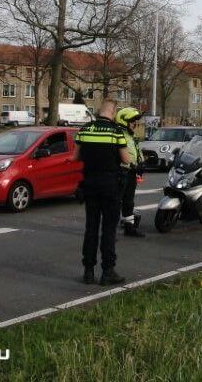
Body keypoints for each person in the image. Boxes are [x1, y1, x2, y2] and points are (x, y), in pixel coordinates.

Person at [72, 98, 131, 285]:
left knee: (91, 228)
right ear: (113, 113)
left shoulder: (85, 130)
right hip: (110, 186)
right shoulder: (116, 133)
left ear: (99, 111)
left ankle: (88, 271)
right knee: (108, 229)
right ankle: (108, 271)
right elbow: (126, 159)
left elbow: (75, 157)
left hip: (89, 184)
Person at [115, 106, 145, 238]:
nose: (135, 124)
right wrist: (133, 165)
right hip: (122, 172)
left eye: (136, 122)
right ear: (124, 121)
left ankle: (129, 227)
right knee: (117, 202)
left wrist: (142, 163)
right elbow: (119, 155)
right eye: (133, 122)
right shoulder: (119, 134)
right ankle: (111, 231)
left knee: (129, 201)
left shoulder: (130, 135)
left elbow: (135, 151)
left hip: (132, 173)